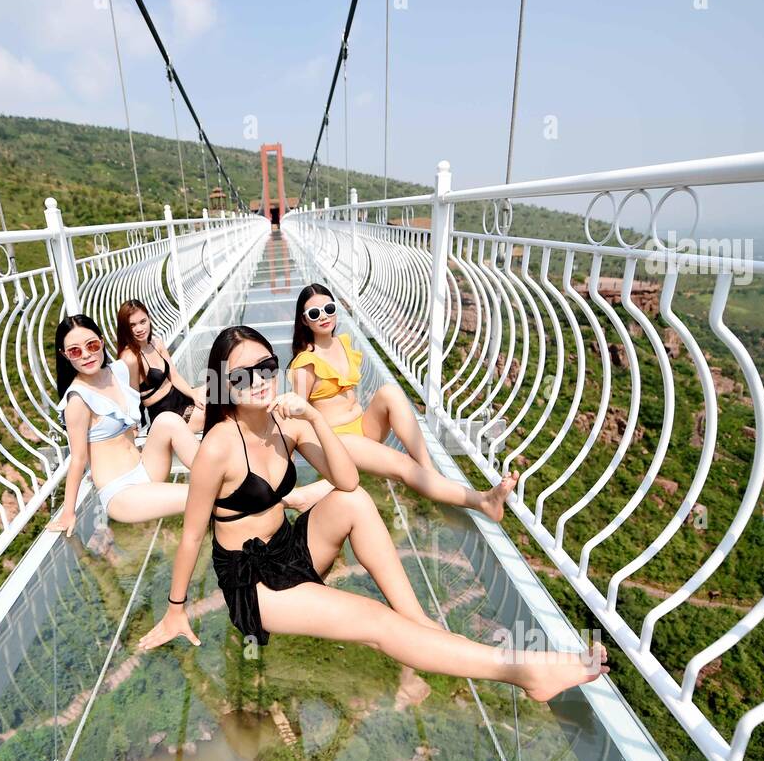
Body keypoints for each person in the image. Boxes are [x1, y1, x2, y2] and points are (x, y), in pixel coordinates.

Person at [137, 325, 609, 704]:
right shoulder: (217, 447)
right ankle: (526, 672)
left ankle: (422, 631)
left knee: (354, 503)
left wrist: (315, 419)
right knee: (378, 623)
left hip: (291, 551)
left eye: (266, 366)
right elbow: (192, 537)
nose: (258, 380)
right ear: (223, 382)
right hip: (255, 586)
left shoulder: (287, 423)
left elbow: (347, 481)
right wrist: (176, 611)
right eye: (241, 375)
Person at [288, 283, 518, 519]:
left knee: (390, 392)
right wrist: (302, 459)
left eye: (329, 308)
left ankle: (428, 471)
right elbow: (299, 416)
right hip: (338, 440)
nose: (324, 316)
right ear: (305, 321)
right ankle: (483, 501)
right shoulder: (305, 362)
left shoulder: (342, 343)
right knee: (402, 466)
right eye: (314, 313)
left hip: (362, 428)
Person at [47, 314, 198, 535]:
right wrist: (68, 511)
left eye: (92, 345)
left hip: (145, 467)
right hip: (122, 492)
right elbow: (78, 459)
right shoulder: (77, 400)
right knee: (202, 495)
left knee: (169, 420)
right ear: (65, 355)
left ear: (101, 341)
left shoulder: (118, 370)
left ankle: (220, 473)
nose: (87, 354)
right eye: (75, 351)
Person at [115, 299, 205, 433]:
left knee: (221, 388)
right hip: (165, 414)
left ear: (149, 319)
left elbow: (174, 376)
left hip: (180, 398)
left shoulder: (157, 343)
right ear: (125, 328)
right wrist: (134, 430)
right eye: (132, 325)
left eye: (142, 321)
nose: (139, 329)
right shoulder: (130, 358)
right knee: (215, 412)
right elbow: (131, 399)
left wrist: (193, 395)